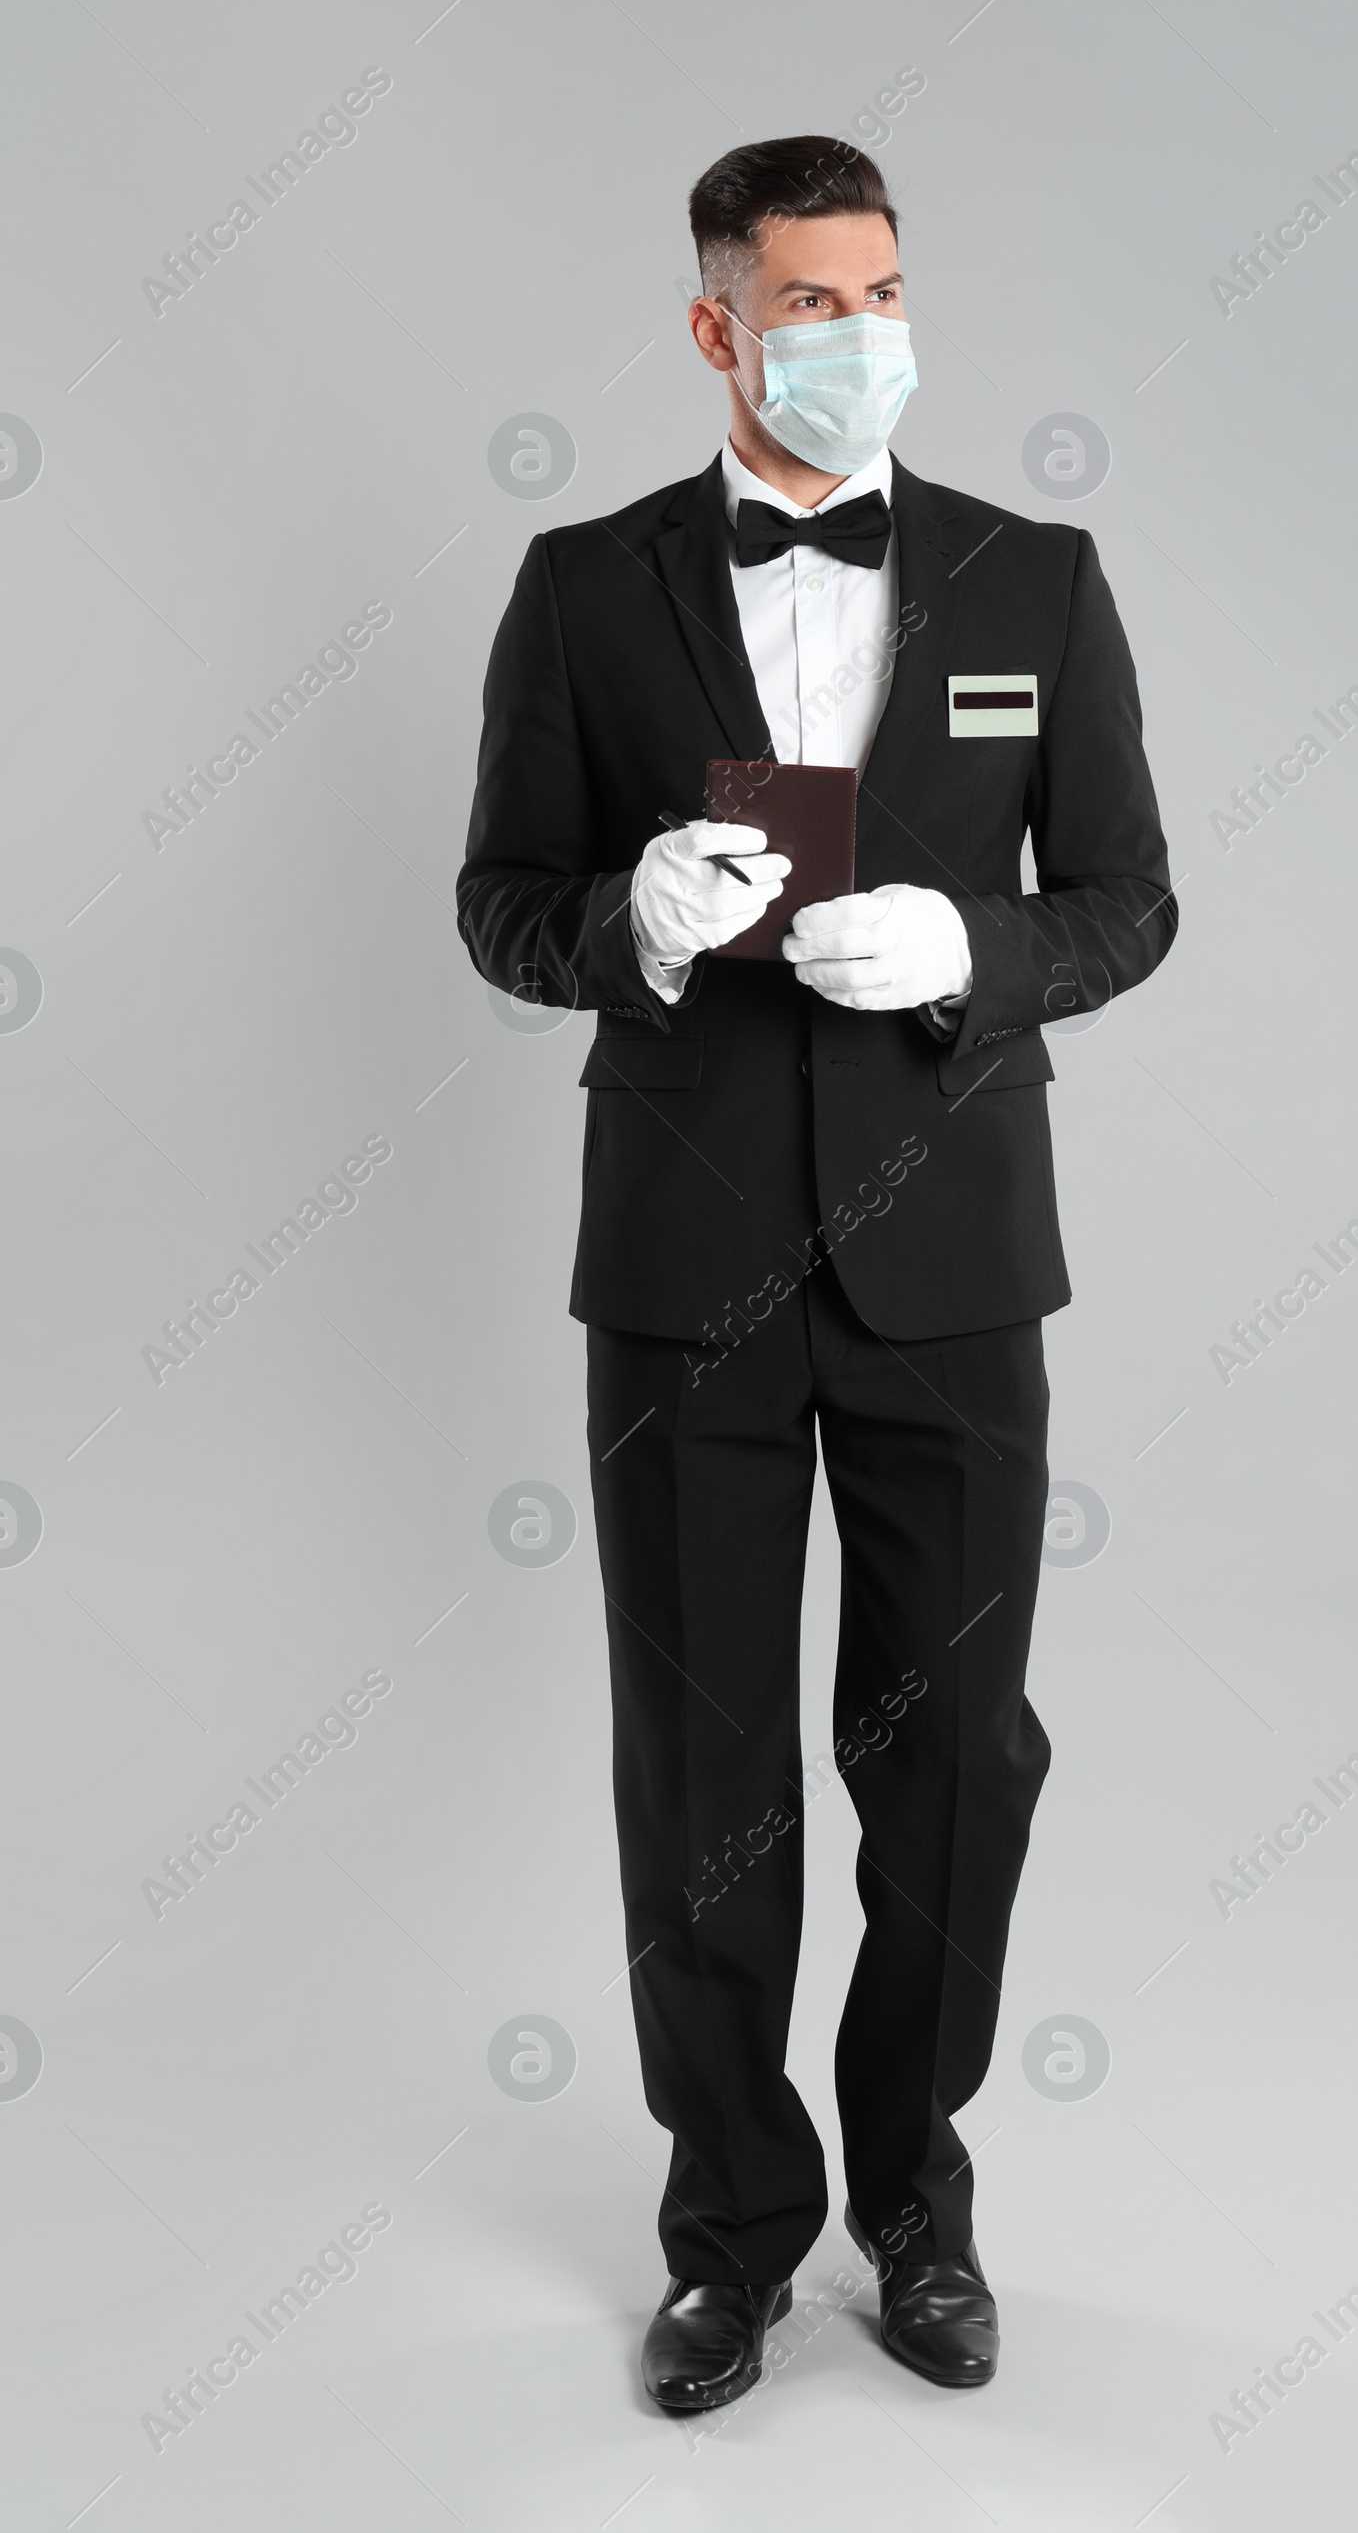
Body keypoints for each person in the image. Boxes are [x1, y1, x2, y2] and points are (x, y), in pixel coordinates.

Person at [456, 134, 1178, 2413]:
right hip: (681, 1271)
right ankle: (725, 2237)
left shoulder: (1032, 576)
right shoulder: (580, 587)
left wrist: (980, 946)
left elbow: (1130, 898)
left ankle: (919, 2206)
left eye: (880, 291)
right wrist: (617, 934)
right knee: (702, 1773)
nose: (856, 336)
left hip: (952, 1265)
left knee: (955, 1756)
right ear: (713, 328)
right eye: (805, 302)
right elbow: (497, 897)